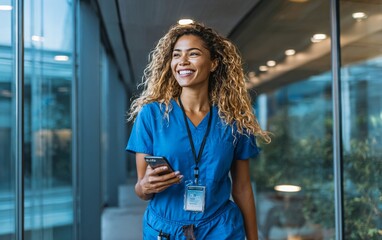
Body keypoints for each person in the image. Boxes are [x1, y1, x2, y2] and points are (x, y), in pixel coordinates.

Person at [126, 21, 271, 240]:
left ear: (213, 63)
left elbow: (242, 187)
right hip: (165, 231)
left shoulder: (234, 119)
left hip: (220, 229)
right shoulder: (152, 115)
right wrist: (145, 186)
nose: (182, 61)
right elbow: (142, 191)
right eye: (176, 55)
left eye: (193, 54)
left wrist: (253, 238)